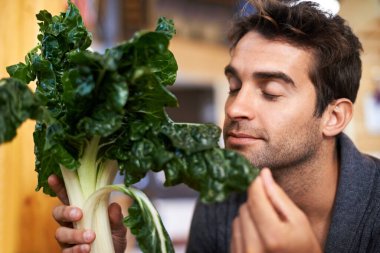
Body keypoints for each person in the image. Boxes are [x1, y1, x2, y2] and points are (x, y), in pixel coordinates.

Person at [50, 0, 380, 252]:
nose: (235, 107)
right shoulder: (219, 204)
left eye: (270, 92)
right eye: (235, 86)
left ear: (334, 117)